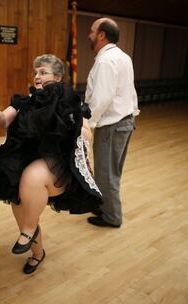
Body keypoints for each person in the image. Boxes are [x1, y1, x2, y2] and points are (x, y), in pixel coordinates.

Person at [0, 54, 102, 274]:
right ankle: (37, 252)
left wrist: (70, 124)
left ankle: (28, 229)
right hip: (21, 160)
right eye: (35, 72)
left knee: (32, 178)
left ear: (58, 76)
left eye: (43, 72)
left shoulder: (68, 100)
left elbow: (87, 134)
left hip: (54, 164)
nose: (37, 76)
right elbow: (4, 121)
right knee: (21, 208)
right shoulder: (25, 102)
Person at [85, 18, 138, 228]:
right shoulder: (123, 57)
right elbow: (129, 91)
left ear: (101, 35)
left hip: (113, 125)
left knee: (107, 173)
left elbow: (101, 98)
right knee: (110, 171)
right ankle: (103, 205)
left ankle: (112, 217)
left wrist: (87, 124)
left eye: (92, 31)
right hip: (124, 121)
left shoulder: (106, 61)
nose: (89, 35)